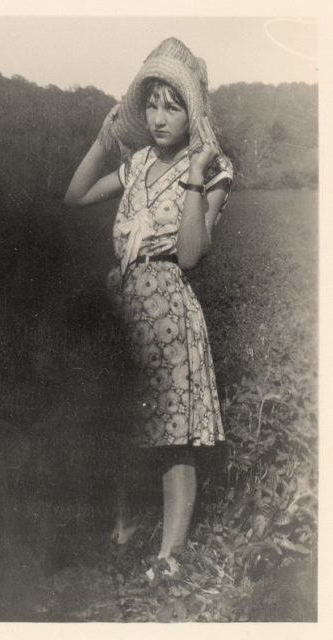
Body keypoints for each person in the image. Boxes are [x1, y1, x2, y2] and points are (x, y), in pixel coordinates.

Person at [64, 38, 233, 579]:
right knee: (123, 425)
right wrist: (103, 140)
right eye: (153, 105)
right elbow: (74, 196)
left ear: (192, 115)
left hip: (168, 312)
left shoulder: (212, 169)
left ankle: (170, 559)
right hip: (125, 307)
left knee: (172, 440)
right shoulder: (137, 163)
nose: (159, 118)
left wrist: (195, 173)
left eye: (173, 107)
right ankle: (123, 532)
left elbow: (190, 255)